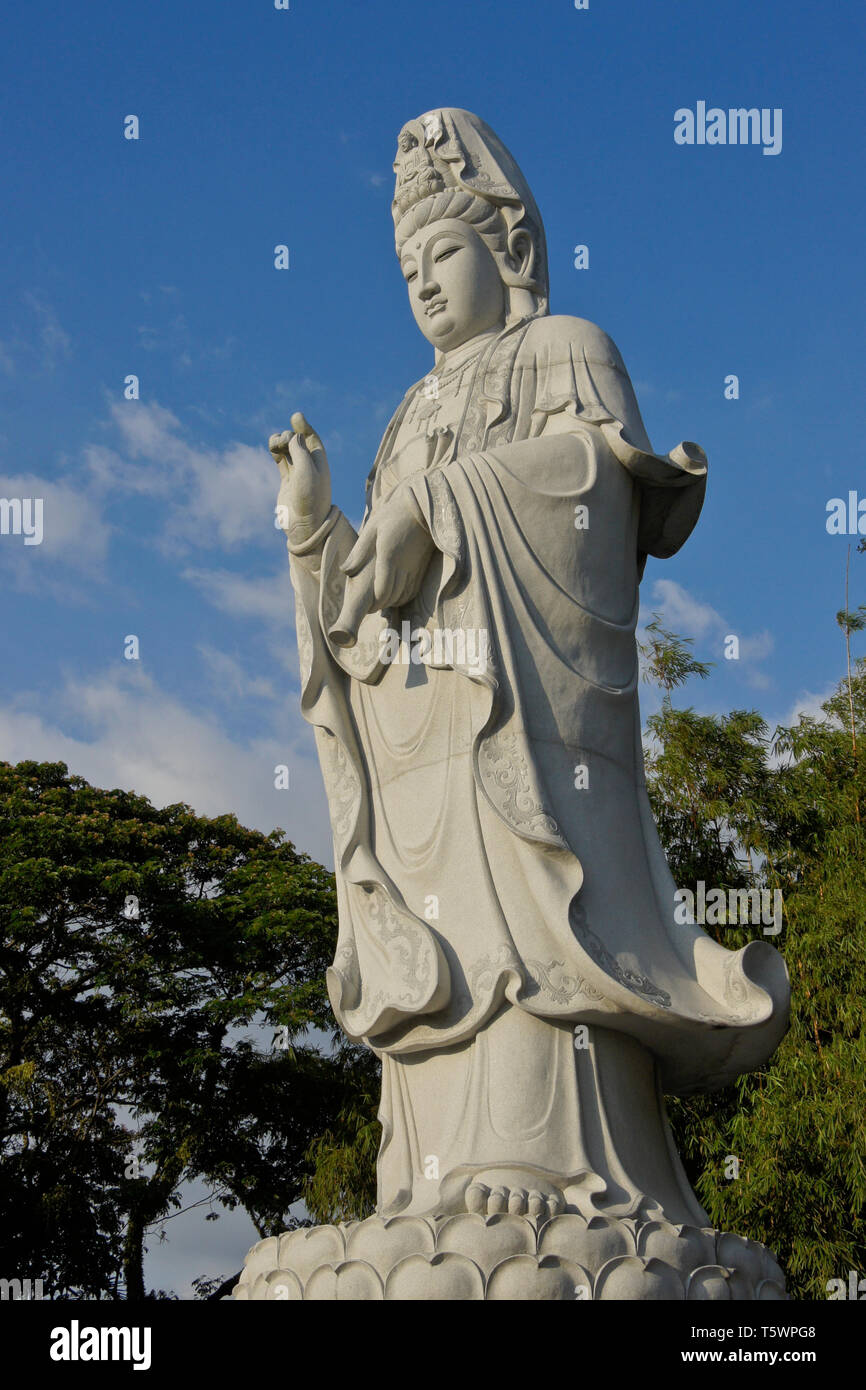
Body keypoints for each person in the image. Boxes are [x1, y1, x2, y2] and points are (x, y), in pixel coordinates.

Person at [269, 108, 789, 1225]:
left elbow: (599, 489)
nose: (419, 282)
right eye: (404, 264)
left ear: (506, 249)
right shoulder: (406, 411)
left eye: (441, 252)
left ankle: (547, 1162)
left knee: (520, 917)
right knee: (437, 932)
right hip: (422, 731)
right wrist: (319, 534)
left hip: (526, 718)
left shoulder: (566, 348)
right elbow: (370, 608)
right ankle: (419, 1175)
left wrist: (443, 503)